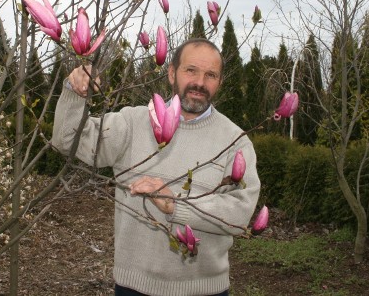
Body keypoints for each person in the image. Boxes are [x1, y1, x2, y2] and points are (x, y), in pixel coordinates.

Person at [52, 38, 260, 296]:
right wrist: (74, 91)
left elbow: (239, 214)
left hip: (205, 290)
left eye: (210, 75)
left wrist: (176, 204)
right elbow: (67, 140)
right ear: (172, 73)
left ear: (220, 82)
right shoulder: (134, 123)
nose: (199, 83)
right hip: (134, 287)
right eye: (191, 70)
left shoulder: (235, 141)